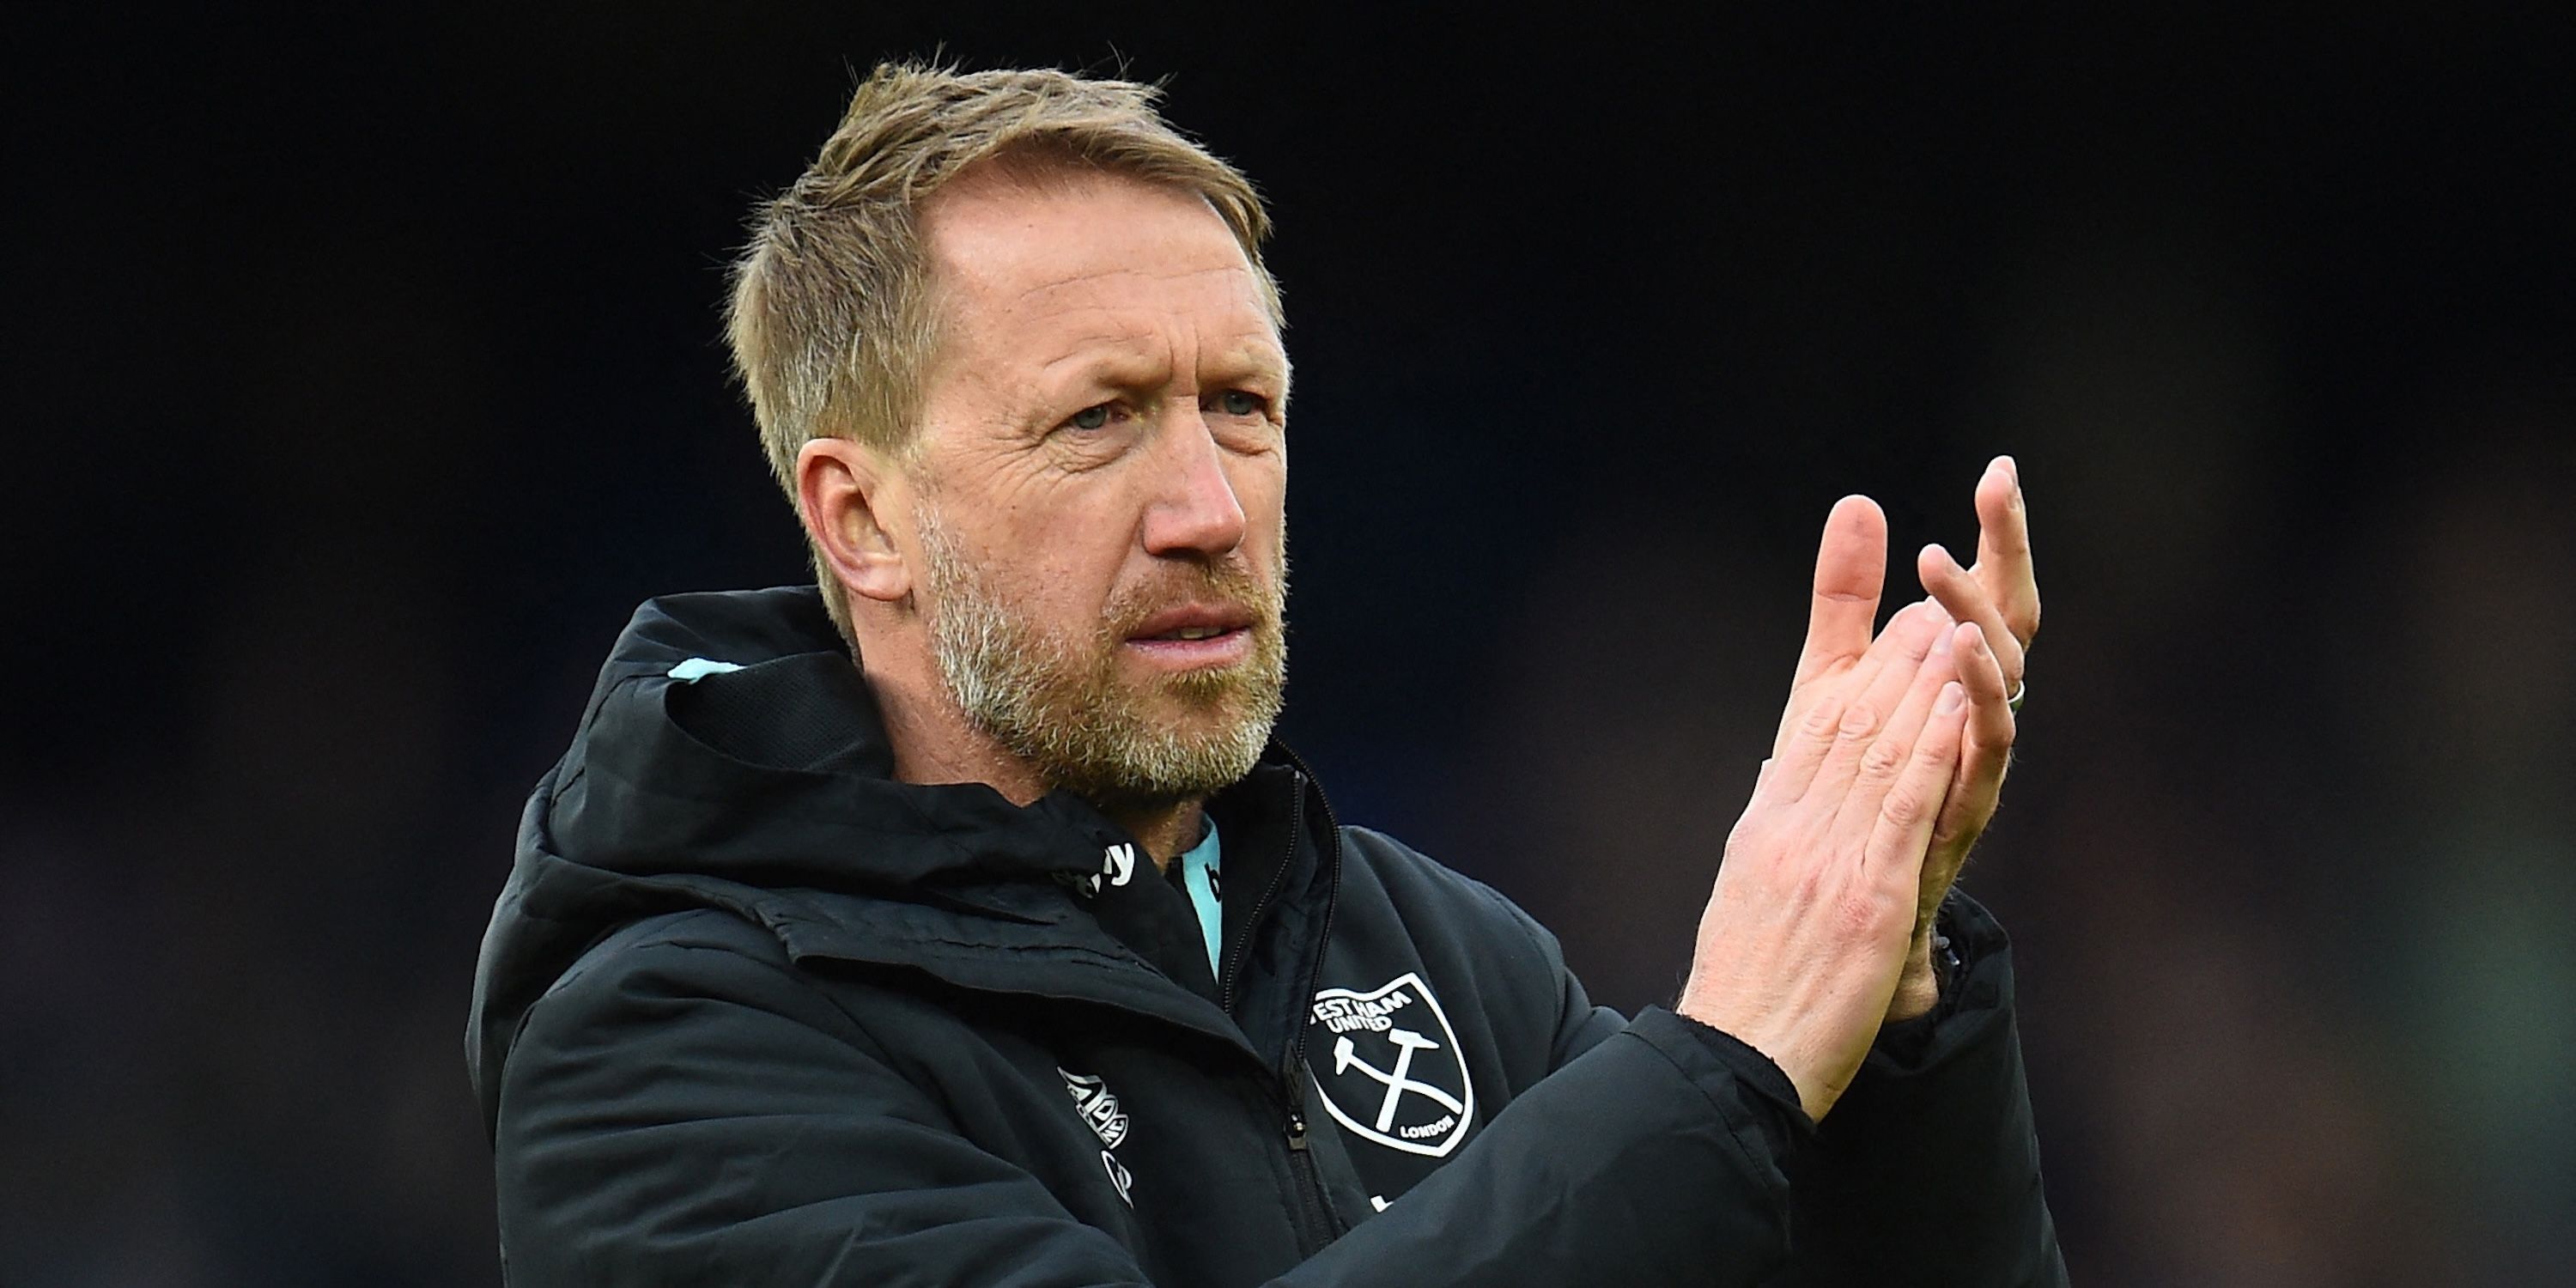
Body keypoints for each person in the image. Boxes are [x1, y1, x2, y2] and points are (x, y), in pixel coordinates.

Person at [467, 62, 2064, 1286]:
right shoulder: (660, 1054)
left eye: (1243, 405)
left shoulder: (1438, 952)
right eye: (1099, 419)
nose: (1208, 511)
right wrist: (1728, 1063)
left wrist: (1889, 1007)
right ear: (863, 516)